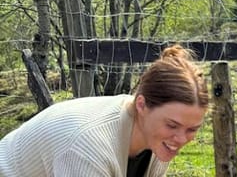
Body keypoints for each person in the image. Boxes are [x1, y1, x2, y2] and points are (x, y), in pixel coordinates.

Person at [0, 44, 209, 176]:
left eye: (192, 129)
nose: (181, 139)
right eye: (172, 125)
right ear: (141, 105)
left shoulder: (157, 139)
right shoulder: (87, 146)